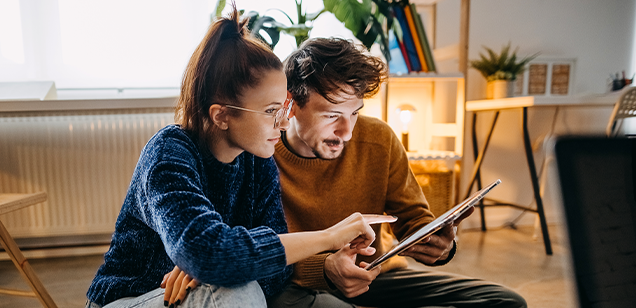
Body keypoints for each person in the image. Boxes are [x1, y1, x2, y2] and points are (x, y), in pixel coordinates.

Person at [85, 9, 387, 308]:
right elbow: (210, 255)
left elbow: (276, 275)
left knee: (243, 288)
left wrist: (217, 263)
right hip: (130, 298)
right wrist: (329, 237)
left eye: (281, 110)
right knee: (236, 294)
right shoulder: (168, 154)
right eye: (271, 111)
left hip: (202, 295)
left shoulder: (258, 161)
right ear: (222, 115)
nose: (282, 124)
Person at [267, 37, 528, 308]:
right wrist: (324, 267)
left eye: (354, 113)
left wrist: (437, 242)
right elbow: (254, 250)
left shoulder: (379, 139)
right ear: (292, 104)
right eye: (332, 116)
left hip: (375, 277)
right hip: (298, 284)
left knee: (505, 302)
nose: (347, 133)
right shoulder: (263, 153)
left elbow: (412, 219)